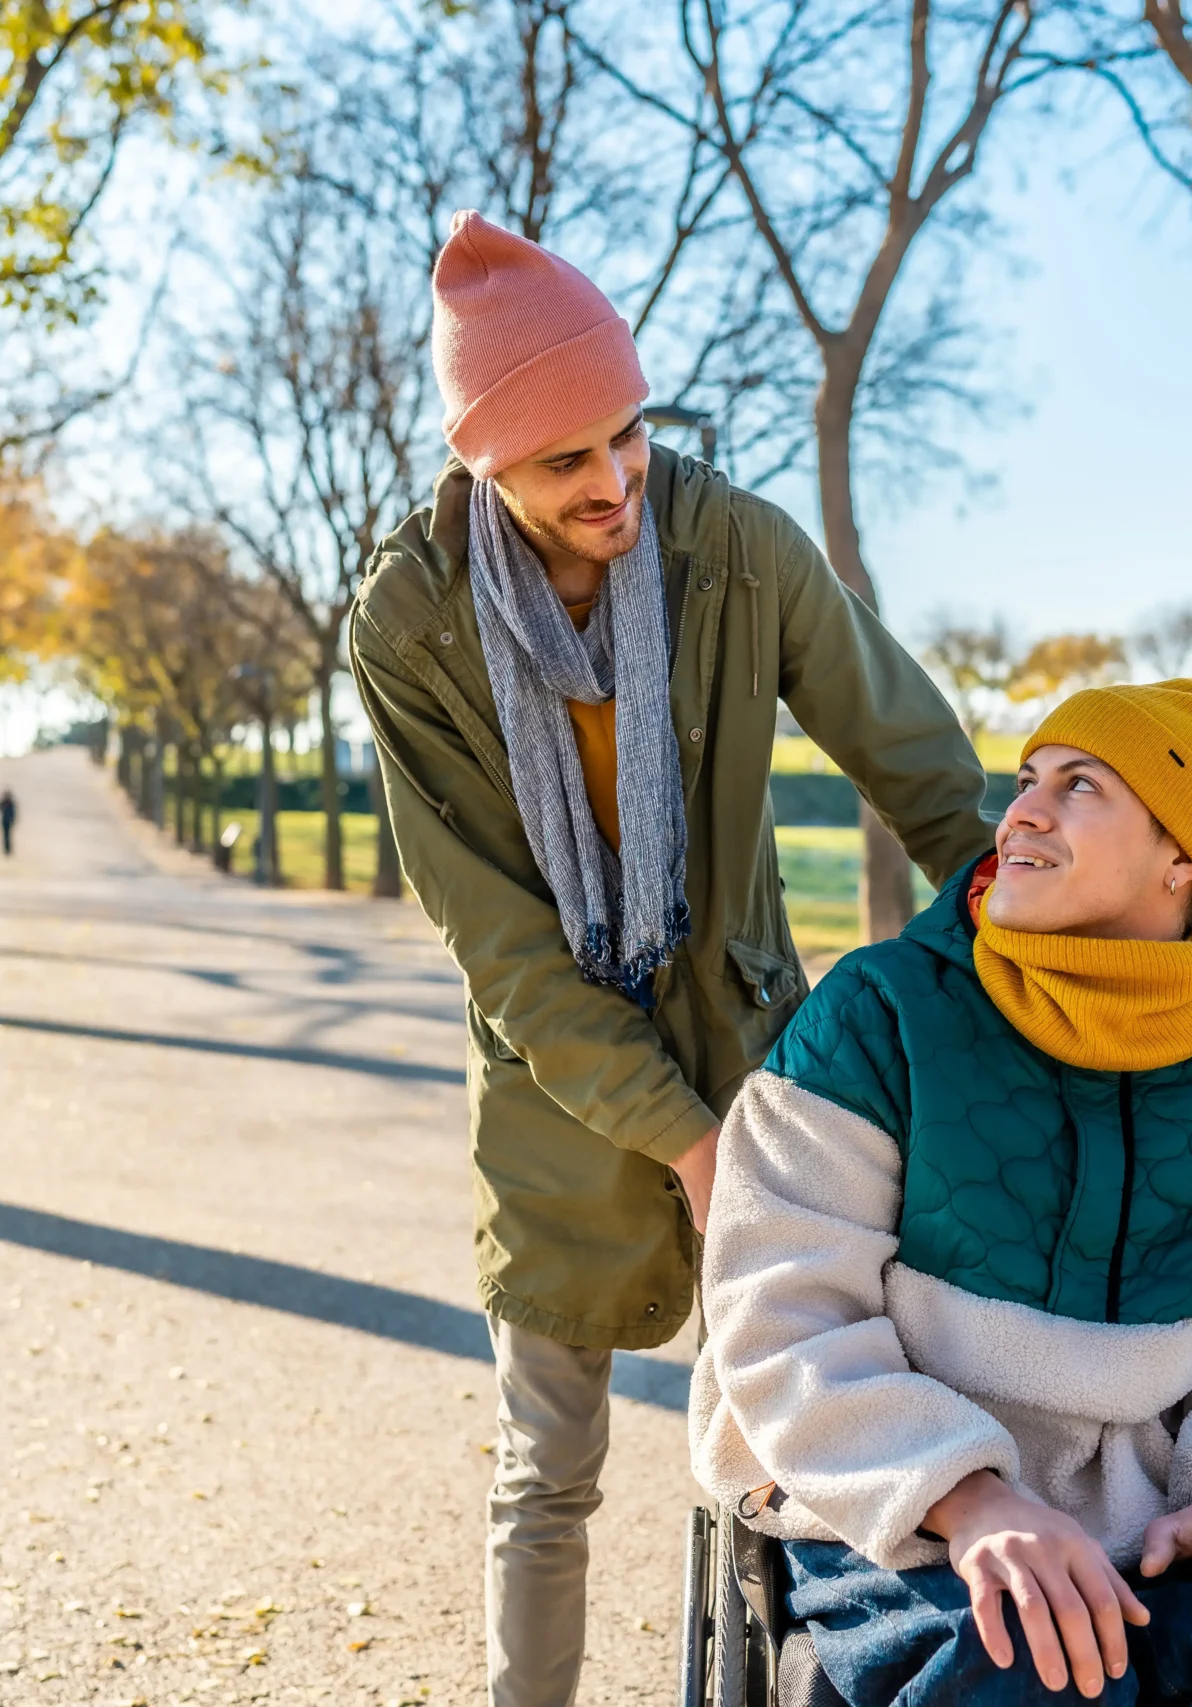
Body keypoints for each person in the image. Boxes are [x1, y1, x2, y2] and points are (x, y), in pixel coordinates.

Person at [347, 211, 992, 1707]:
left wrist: (1047, 938)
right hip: (556, 1085)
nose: (615, 479)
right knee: (548, 1466)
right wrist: (684, 1145)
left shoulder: (735, 550)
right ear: (486, 468)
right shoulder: (410, 625)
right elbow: (502, 943)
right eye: (565, 459)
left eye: (628, 434)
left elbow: (926, 774)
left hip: (761, 1058)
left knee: (797, 1449)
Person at [691, 678, 1192, 1707]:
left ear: (1183, 858)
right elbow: (783, 1319)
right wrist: (968, 1500)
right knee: (1029, 1661)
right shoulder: (873, 1021)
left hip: (1159, 1516)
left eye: (1079, 785)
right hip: (893, 1503)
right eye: (1025, 780)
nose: (1021, 812)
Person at [0, 787, 17, 857]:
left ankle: (8, 849)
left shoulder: (11, 803)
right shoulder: (5, 803)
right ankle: (6, 849)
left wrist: (13, 820)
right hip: (4, 821)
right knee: (5, 836)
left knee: (8, 836)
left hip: (8, 821)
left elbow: (13, 813)